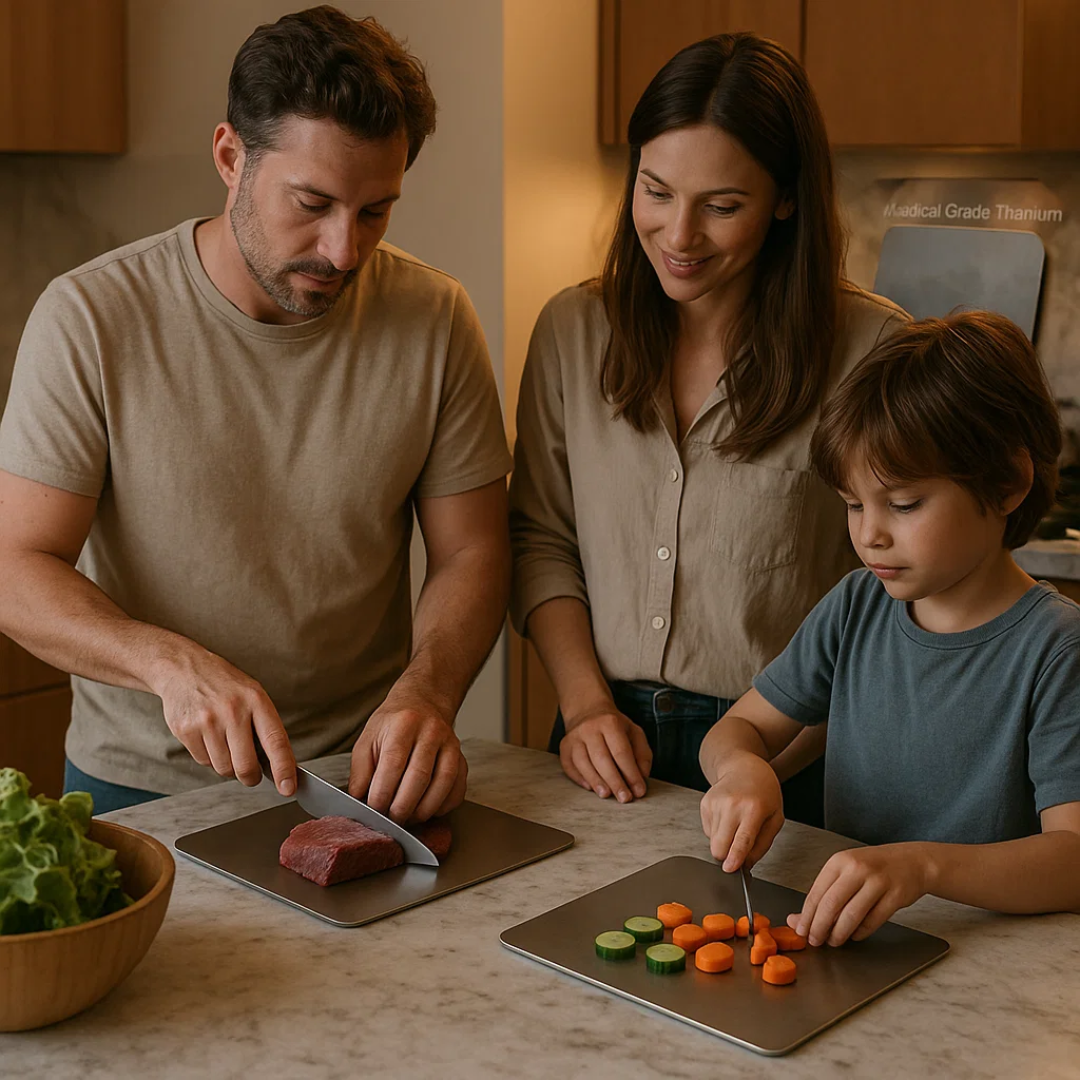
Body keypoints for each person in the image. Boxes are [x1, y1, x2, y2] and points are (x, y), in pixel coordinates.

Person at [0, 7, 512, 818]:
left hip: (357, 780)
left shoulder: (436, 318)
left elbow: (472, 551)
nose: (344, 250)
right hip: (142, 785)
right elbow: (16, 566)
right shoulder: (91, 317)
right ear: (231, 158)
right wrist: (166, 665)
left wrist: (429, 691)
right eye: (312, 202)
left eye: (374, 211)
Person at [509, 33, 905, 822]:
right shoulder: (572, 330)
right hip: (601, 740)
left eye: (722, 207)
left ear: (785, 199)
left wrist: (760, 758)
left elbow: (897, 596)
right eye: (656, 191)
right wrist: (585, 708)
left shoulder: (873, 351)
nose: (679, 235)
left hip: (789, 754)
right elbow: (541, 539)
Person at [699, 311, 1080, 946]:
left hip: (984, 959)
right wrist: (741, 768)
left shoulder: (1057, 649)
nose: (869, 533)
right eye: (854, 504)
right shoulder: (856, 605)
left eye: (904, 504)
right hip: (845, 939)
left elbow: (1072, 858)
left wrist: (922, 867)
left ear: (1010, 483)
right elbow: (736, 730)